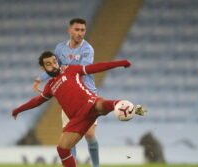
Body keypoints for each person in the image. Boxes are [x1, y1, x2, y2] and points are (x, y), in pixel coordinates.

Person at [12, 51, 147, 167]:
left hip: (90, 104)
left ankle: (127, 106)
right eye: (49, 64)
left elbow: (95, 67)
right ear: (43, 68)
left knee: (102, 105)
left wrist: (120, 62)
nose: (54, 65)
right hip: (77, 119)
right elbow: (37, 101)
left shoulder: (71, 70)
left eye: (55, 61)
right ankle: (125, 107)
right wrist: (18, 110)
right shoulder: (50, 86)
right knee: (62, 149)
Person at [32, 18, 100, 166]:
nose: (80, 33)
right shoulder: (60, 48)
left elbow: (82, 69)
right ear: (70, 30)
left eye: (83, 30)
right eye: (77, 30)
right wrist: (41, 78)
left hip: (87, 95)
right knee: (69, 136)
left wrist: (65, 68)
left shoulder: (87, 49)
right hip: (69, 96)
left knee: (89, 134)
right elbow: (54, 69)